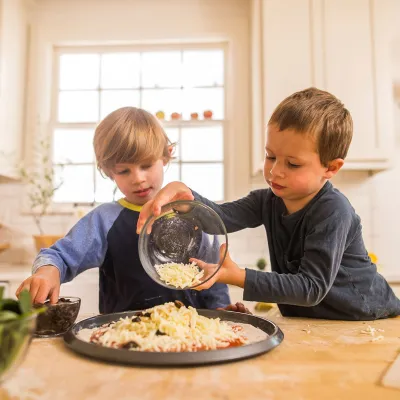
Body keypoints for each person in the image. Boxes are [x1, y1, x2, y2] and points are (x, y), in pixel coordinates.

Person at [137, 88, 400, 321]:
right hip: (313, 321)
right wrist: (183, 196)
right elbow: (221, 218)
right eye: (270, 156)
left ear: (331, 167)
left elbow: (311, 288)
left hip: (366, 316)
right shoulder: (267, 201)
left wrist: (237, 275)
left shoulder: (333, 211)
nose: (275, 171)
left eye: (293, 164)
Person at [16, 107, 230, 313]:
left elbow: (213, 276)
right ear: (109, 172)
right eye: (123, 170)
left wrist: (223, 310)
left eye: (146, 165)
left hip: (192, 336)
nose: (138, 178)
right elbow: (58, 256)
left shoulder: (191, 214)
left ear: (166, 156)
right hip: (123, 338)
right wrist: (47, 272)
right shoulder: (104, 220)